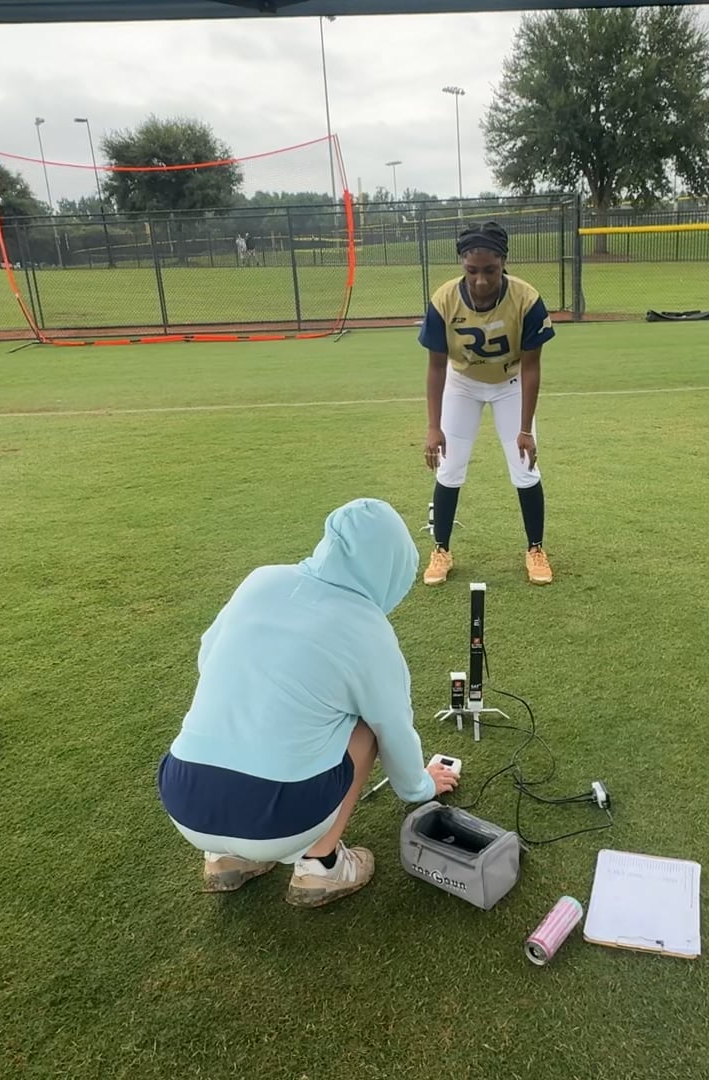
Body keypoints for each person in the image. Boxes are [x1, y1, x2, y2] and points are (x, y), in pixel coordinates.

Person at [156, 498, 460, 908]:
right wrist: (421, 787)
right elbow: (394, 728)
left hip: (184, 798)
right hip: (281, 816)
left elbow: (208, 656)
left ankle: (226, 857)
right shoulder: (368, 629)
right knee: (367, 725)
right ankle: (321, 865)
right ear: (391, 566)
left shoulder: (260, 580)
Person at [418, 221, 556, 587]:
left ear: (504, 263)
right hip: (462, 384)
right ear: (462, 265)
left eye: (490, 271)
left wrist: (525, 429)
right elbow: (436, 367)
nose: (481, 280)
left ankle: (536, 548)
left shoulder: (526, 299)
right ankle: (441, 549)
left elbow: (531, 367)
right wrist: (433, 427)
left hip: (510, 383)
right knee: (449, 467)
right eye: (472, 270)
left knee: (525, 467)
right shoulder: (443, 300)